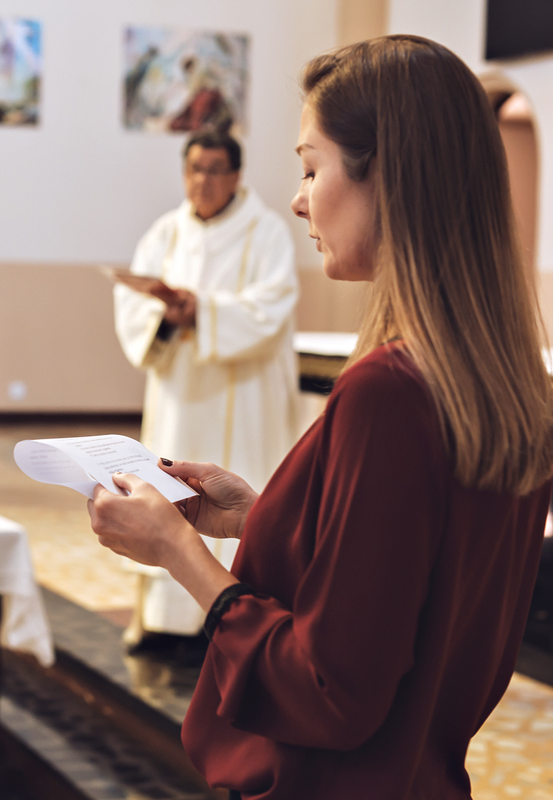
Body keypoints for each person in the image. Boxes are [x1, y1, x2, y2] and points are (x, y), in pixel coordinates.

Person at [90, 35, 553, 799]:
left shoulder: (389, 391)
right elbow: (414, 588)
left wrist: (177, 550)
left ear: (389, 176)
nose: (299, 198)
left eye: (311, 168)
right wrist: (264, 518)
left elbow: (328, 691)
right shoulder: (507, 386)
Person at [113, 128, 298, 643]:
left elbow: (272, 307)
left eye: (216, 171)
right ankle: (163, 620)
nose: (204, 181)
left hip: (244, 398)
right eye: (195, 169)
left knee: (234, 491)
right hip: (179, 394)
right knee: (169, 486)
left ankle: (230, 617)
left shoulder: (266, 232)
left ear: (236, 175)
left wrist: (205, 312)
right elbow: (134, 309)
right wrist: (167, 318)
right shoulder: (165, 233)